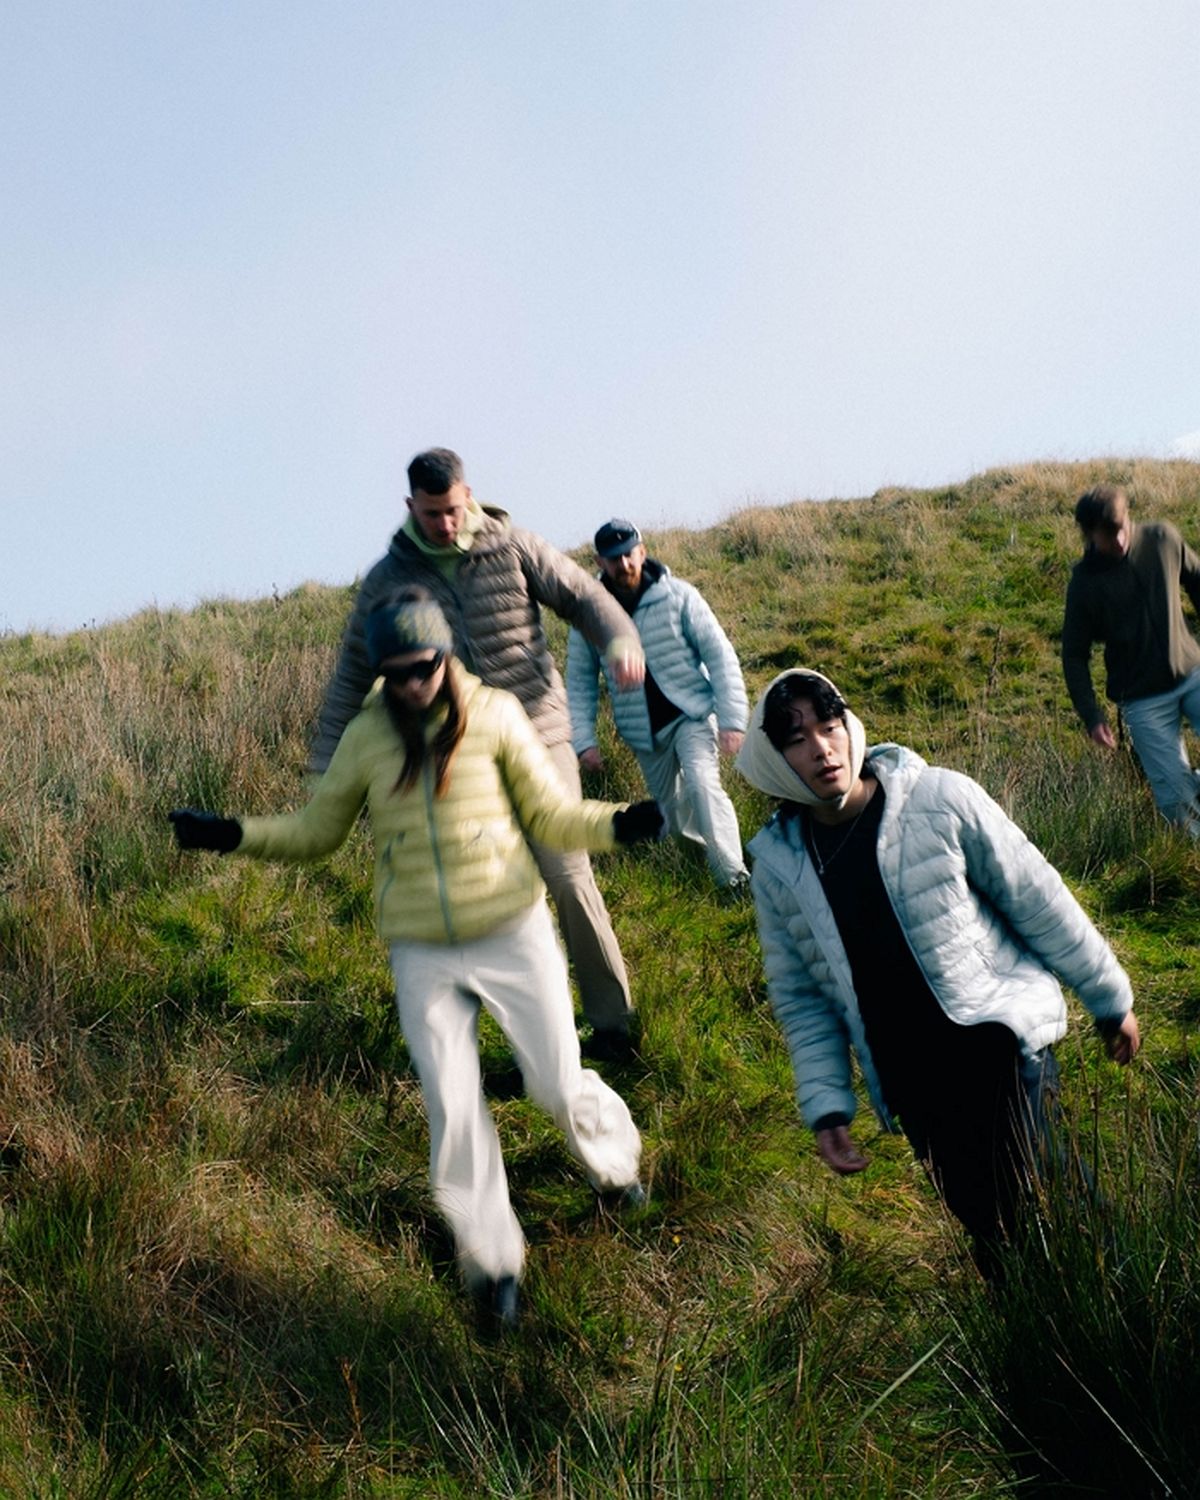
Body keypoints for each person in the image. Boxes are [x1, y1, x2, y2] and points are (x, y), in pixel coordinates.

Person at [170, 591, 664, 1330]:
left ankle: (617, 1166)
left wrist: (619, 823)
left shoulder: (495, 713)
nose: (413, 685)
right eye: (397, 673)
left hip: (512, 930)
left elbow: (551, 815)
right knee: (454, 1107)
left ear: (446, 657)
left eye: (425, 668)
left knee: (555, 1082)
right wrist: (230, 835)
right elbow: (317, 832)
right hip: (421, 950)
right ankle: (493, 1264)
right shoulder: (368, 738)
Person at [736, 668, 1140, 1277]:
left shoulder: (939, 798)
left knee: (1054, 1199)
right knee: (987, 1226)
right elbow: (801, 998)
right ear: (771, 759)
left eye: (830, 725)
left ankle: (1134, 1317)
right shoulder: (777, 867)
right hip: (912, 1080)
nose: (822, 748)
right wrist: (827, 1107)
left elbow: (1037, 898)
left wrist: (1109, 998)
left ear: (851, 727)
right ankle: (1041, 1354)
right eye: (798, 739)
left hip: (998, 1043)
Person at [310, 449, 646, 1063]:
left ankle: (615, 1025)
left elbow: (581, 596)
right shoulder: (387, 580)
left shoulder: (513, 546)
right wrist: (325, 768)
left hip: (539, 732)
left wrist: (620, 636)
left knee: (568, 875)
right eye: (432, 513)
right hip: (458, 756)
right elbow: (353, 675)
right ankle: (544, 1043)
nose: (444, 523)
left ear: (469, 494)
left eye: (454, 509)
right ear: (410, 506)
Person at [566, 518, 750, 895]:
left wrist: (732, 719)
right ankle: (701, 870)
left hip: (692, 716)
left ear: (642, 551)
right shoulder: (589, 617)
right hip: (643, 732)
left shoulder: (680, 596)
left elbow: (719, 655)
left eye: (629, 554)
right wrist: (584, 742)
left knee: (702, 786)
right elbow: (580, 683)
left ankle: (733, 879)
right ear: (600, 562)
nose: (624, 565)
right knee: (675, 813)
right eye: (614, 559)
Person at [1062, 484, 1200, 836]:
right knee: (1176, 807)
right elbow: (1074, 655)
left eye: (1122, 529)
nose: (1119, 540)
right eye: (1108, 536)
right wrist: (1092, 716)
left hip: (1193, 673)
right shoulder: (1085, 583)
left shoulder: (1162, 540)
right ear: (1089, 534)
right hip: (1142, 701)